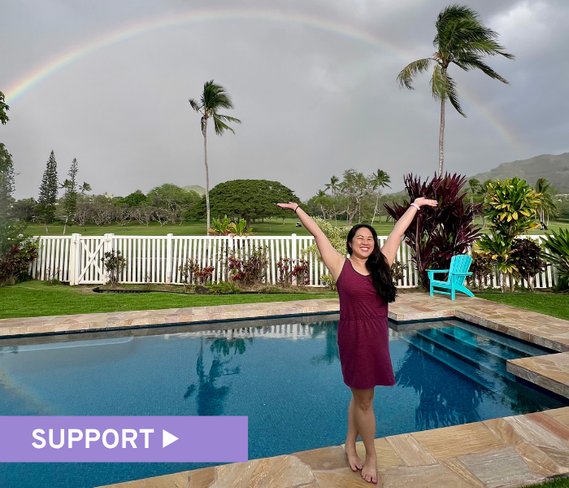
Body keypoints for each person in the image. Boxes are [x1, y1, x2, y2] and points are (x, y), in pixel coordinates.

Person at [277, 197, 437, 484]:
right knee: (365, 401)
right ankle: (371, 456)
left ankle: (350, 444)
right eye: (359, 238)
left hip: (376, 338)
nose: (366, 241)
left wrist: (415, 205)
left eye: (370, 238)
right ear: (350, 243)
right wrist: (297, 209)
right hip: (353, 339)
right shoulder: (339, 265)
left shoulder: (382, 264)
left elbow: (398, 232)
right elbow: (318, 234)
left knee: (360, 396)